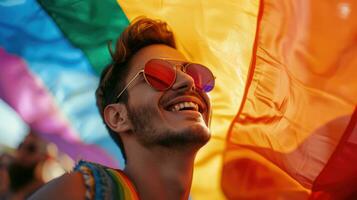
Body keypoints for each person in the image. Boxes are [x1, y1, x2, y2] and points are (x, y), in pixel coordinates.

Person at [30, 17, 215, 200]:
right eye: (159, 74)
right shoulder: (79, 192)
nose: (189, 81)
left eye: (196, 74)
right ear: (118, 117)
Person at [0, 130, 49, 200]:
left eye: (31, 149)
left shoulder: (42, 190)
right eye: (21, 145)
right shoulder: (4, 170)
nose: (22, 151)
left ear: (43, 156)